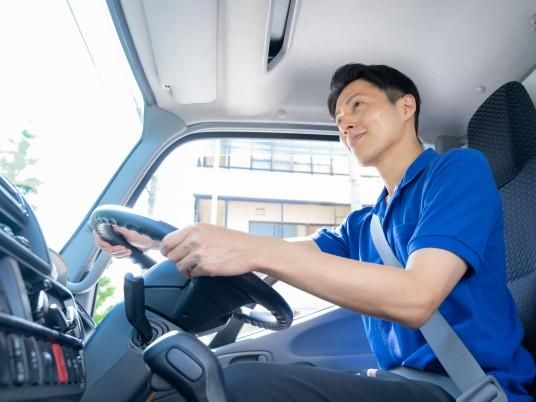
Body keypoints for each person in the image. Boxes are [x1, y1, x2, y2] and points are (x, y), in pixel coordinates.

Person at [94, 63, 535, 401]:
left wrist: (254, 250)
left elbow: (416, 296)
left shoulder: (458, 171)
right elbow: (282, 254)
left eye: (358, 105)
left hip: (466, 391)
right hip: (402, 384)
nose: (345, 123)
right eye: (339, 118)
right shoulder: (365, 223)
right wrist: (159, 242)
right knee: (223, 378)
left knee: (243, 387)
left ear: (406, 107)